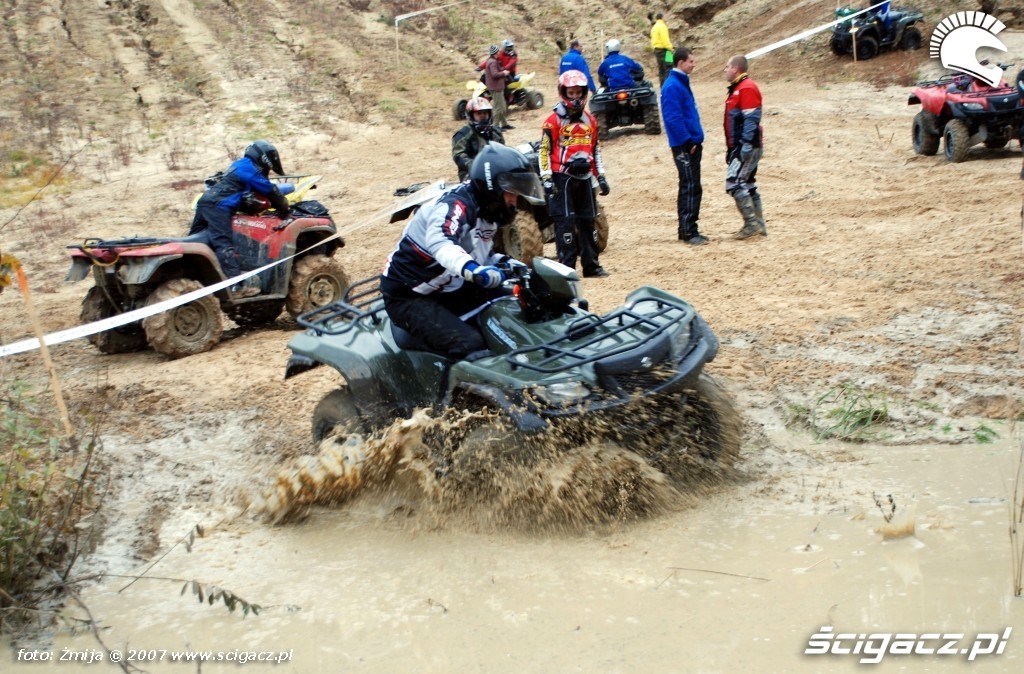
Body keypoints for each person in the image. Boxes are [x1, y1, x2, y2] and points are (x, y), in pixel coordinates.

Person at [380, 144, 544, 359]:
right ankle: (451, 382)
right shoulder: (455, 205)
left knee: (514, 310)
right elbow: (441, 242)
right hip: (409, 295)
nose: (515, 201)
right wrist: (474, 270)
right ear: (492, 187)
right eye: (512, 193)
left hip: (449, 285)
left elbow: (480, 256)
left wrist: (506, 263)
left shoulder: (486, 214)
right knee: (469, 343)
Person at [190, 140, 293, 297]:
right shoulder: (251, 170)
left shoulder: (240, 164)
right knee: (223, 244)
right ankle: (236, 287)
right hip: (219, 206)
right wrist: (285, 210)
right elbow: (270, 191)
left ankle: (194, 279)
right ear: (264, 159)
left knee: (196, 241)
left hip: (204, 202)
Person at [539, 69, 611, 278]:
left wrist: (601, 176)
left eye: (579, 92)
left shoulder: (591, 120)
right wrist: (546, 177)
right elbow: (544, 150)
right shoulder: (552, 121)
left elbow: (595, 149)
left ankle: (591, 266)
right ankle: (567, 269)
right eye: (571, 93)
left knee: (588, 221)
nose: (576, 97)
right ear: (563, 93)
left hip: (585, 177)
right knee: (565, 223)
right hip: (562, 177)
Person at [660, 48, 706, 245]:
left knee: (692, 185)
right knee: (690, 185)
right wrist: (687, 141)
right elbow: (673, 118)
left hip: (690, 143)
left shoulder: (679, 83)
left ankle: (687, 228)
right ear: (680, 62)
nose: (693, 64)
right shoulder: (673, 86)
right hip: (685, 145)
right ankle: (688, 230)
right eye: (690, 61)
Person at [723, 55, 766, 240]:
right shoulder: (740, 87)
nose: (725, 70)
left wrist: (745, 144)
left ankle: (751, 225)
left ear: (735, 69)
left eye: (727, 66)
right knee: (748, 183)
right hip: (743, 144)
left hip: (746, 144)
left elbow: (751, 118)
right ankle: (759, 225)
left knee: (734, 183)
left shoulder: (745, 87)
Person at [452, 97, 504, 182]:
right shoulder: (463, 134)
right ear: (471, 115)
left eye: (485, 113)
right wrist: (476, 166)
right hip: (472, 173)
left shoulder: (496, 132)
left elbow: (503, 152)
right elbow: (459, 155)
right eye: (479, 113)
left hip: (496, 169)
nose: (482, 116)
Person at [484, 45, 513, 130]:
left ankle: (504, 124)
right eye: (498, 52)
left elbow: (498, 70)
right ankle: (495, 126)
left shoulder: (492, 61)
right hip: (495, 88)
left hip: (497, 87)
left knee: (502, 106)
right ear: (495, 53)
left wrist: (504, 70)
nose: (499, 53)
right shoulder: (493, 62)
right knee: (498, 107)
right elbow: (494, 74)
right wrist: (504, 73)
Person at [649, 12, 674, 87]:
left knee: (661, 69)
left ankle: (663, 86)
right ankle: (669, 86)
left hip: (657, 50)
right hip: (666, 50)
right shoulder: (662, 26)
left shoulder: (654, 28)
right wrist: (670, 48)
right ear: (662, 17)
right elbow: (665, 39)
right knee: (669, 67)